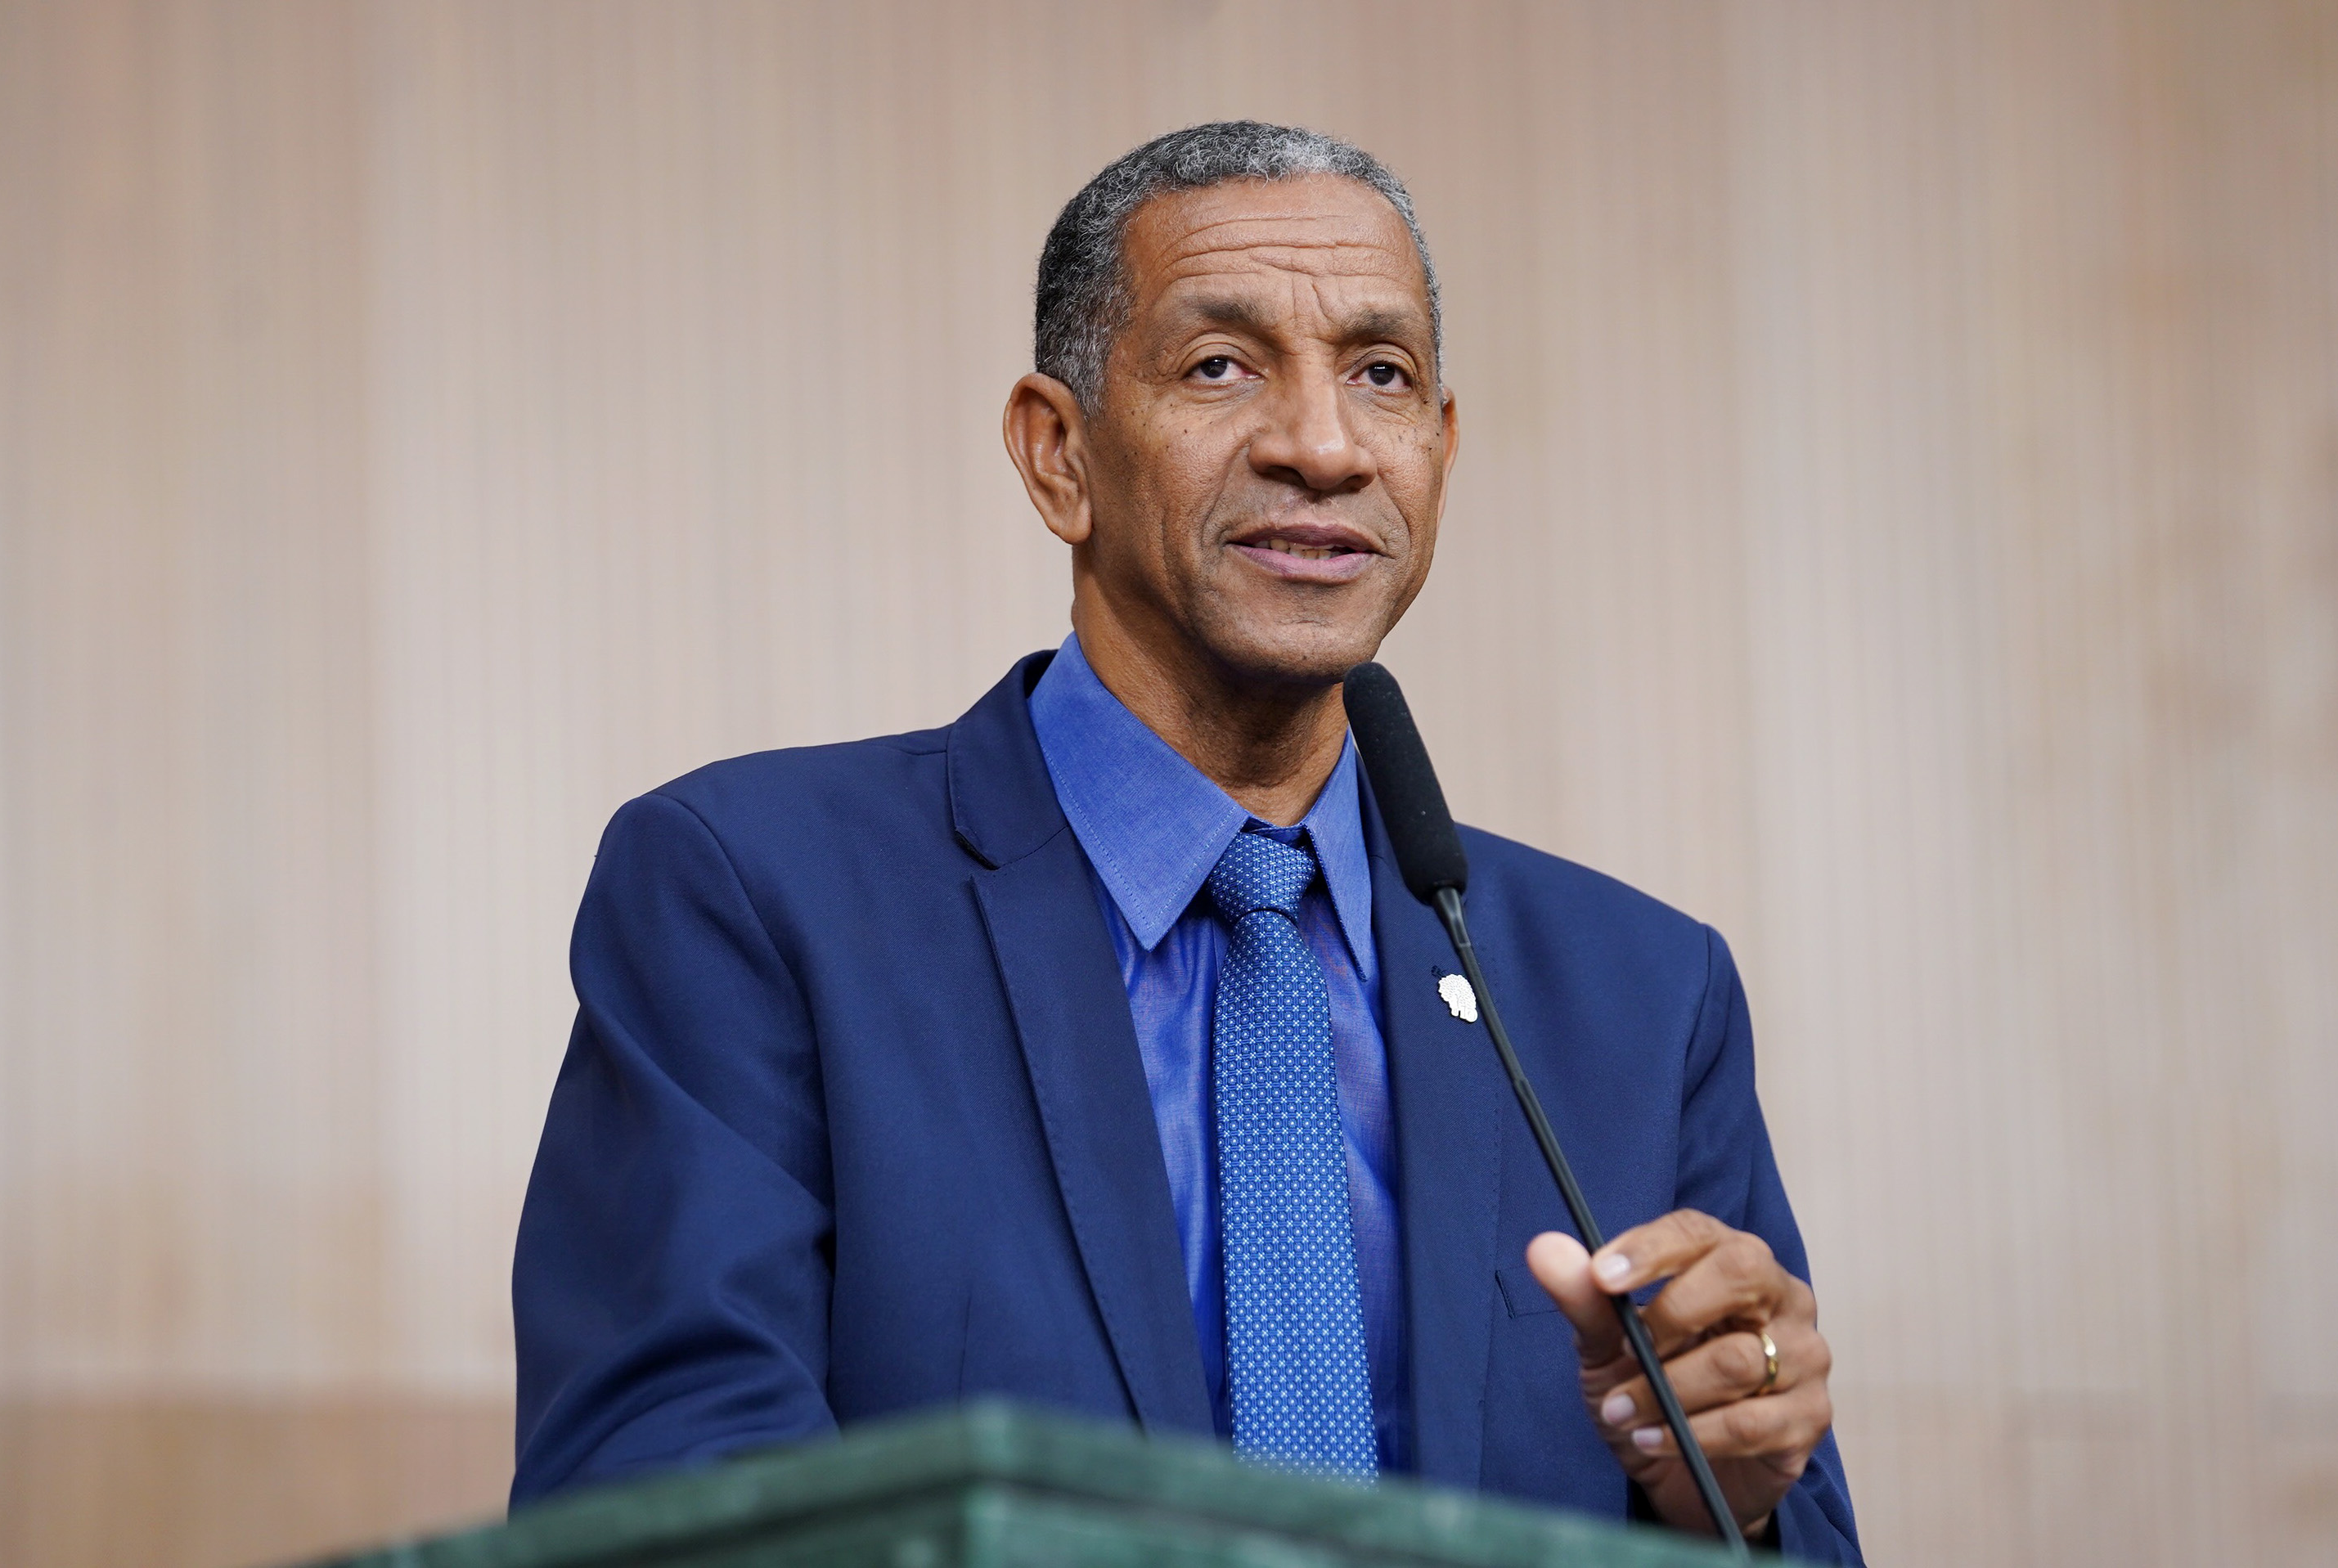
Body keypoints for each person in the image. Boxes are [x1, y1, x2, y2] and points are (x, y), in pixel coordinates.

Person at [511, 121, 1861, 1560]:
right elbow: (665, 1511)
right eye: (1221, 366)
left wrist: (1729, 1490)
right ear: (1058, 454)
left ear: (1442, 450)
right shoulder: (753, 897)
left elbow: (1793, 1533)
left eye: (1381, 375)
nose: (1323, 446)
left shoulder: (1641, 997)